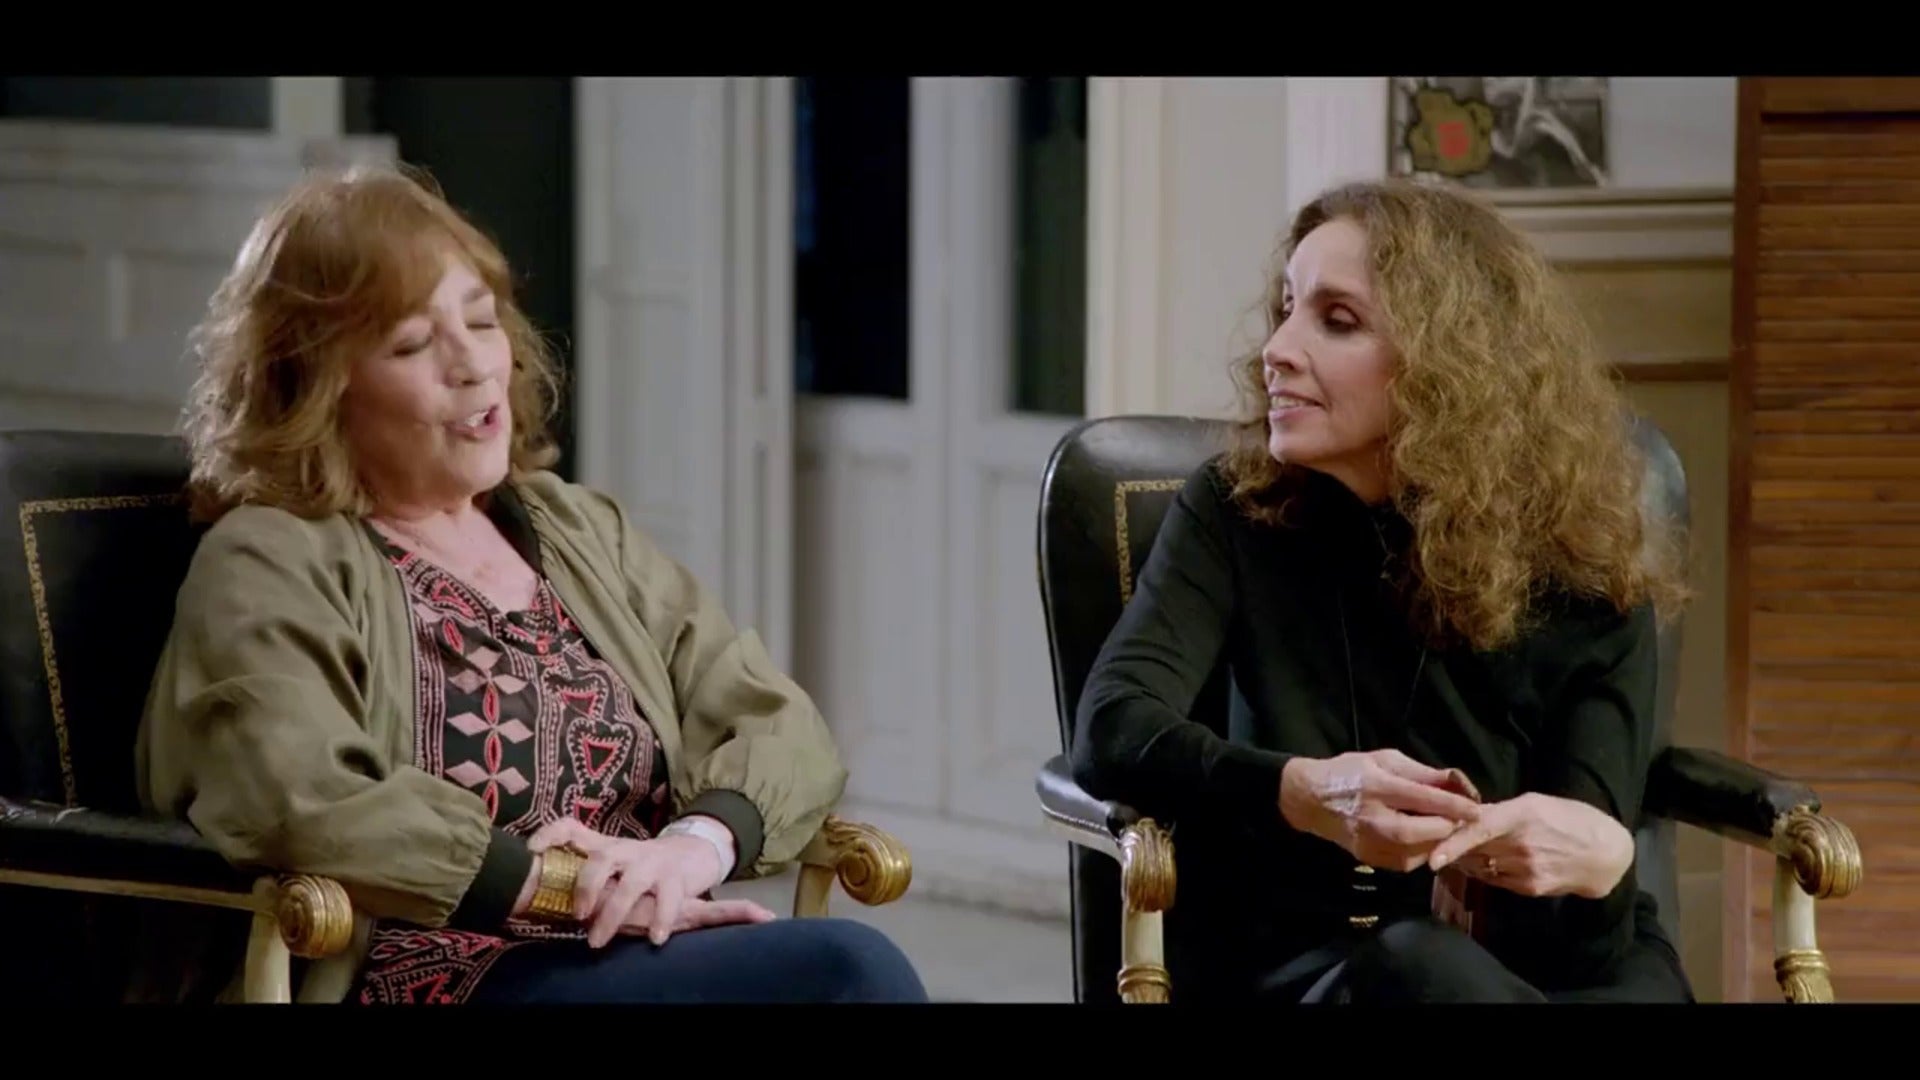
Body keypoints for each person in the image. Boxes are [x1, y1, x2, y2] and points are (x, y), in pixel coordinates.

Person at [135, 162, 928, 1005]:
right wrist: (562, 888)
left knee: (840, 971)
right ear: (318, 391)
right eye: (412, 345)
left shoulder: (575, 527)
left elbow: (774, 719)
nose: (473, 365)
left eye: (481, 321)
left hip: (631, 951)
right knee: (846, 972)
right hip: (434, 972)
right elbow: (298, 796)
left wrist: (691, 849)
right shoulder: (267, 558)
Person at [1070, 177, 1694, 1003]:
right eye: (1286, 308)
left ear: (1450, 365)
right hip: (1315, 966)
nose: (1277, 348)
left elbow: (1586, 947)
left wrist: (1604, 858)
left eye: (1337, 320)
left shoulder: (1583, 558)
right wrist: (1303, 792)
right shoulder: (1233, 513)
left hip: (1548, 969)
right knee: (1422, 967)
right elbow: (1114, 727)